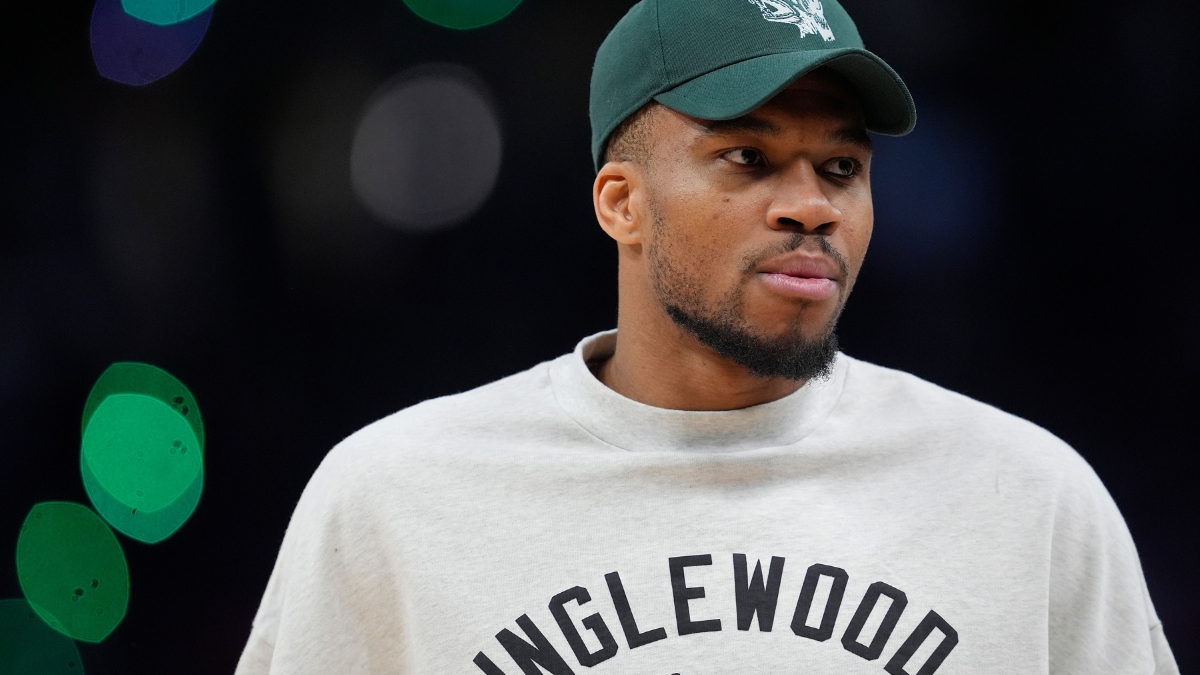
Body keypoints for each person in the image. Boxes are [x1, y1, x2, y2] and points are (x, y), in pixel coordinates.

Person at [236, 0, 1179, 673]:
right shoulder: (396, 496)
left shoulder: (1028, 500)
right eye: (750, 157)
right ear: (622, 202)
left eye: (841, 165)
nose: (811, 205)